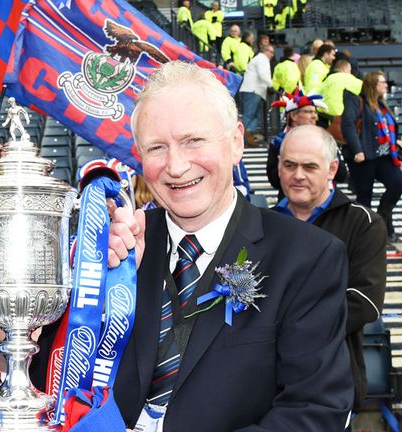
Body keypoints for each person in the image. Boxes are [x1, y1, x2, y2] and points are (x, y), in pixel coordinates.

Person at [107, 61, 352, 430]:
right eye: (157, 147)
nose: (175, 165)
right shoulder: (118, 247)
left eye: (193, 141)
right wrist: (105, 284)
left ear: (236, 142)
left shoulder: (308, 258)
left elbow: (314, 412)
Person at [274, 125, 386, 415]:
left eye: (310, 166)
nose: (298, 175)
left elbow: (365, 301)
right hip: (267, 383)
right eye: (289, 165)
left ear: (332, 169)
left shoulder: (363, 223)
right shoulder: (261, 223)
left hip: (332, 381)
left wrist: (289, 327)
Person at [342, 71, 402, 242]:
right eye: (382, 82)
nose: (386, 85)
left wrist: (395, 141)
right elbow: (348, 125)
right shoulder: (356, 101)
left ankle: (382, 221)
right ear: (373, 85)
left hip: (384, 156)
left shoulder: (382, 105)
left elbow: (385, 129)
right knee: (364, 196)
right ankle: (366, 233)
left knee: (398, 183)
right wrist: (357, 150)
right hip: (365, 156)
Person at [239, 43, 274, 147]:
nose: (272, 55)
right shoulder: (262, 59)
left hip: (255, 91)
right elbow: (263, 74)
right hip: (253, 90)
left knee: (255, 115)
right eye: (271, 52)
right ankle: (242, 138)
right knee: (250, 114)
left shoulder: (259, 59)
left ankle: (248, 135)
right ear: (265, 51)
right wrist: (270, 85)